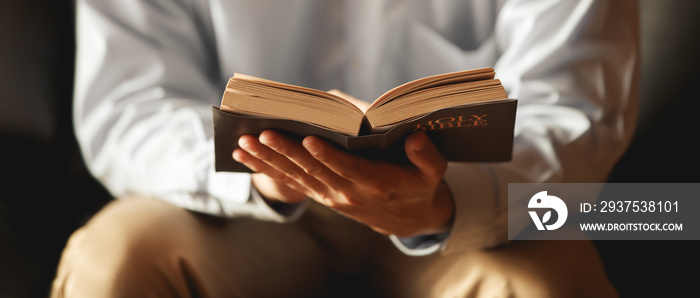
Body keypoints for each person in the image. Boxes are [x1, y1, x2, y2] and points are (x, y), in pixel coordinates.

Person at [52, 0, 639, 297]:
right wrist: (261, 170)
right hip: (241, 206)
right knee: (113, 264)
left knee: (547, 287)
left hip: (468, 205)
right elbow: (126, 105)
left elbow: (575, 109)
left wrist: (441, 206)